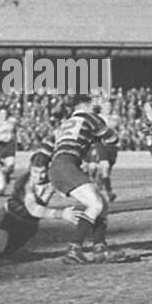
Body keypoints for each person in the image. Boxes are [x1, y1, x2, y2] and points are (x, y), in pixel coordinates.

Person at [47, 93, 117, 264]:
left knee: (102, 204)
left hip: (59, 165)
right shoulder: (90, 117)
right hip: (67, 165)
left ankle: (100, 248)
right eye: (93, 103)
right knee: (96, 204)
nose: (96, 106)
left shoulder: (66, 123)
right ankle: (74, 247)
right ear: (86, 105)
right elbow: (112, 139)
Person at [0, 163, 79, 260]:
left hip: (28, 226)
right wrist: (61, 214)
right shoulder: (24, 183)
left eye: (43, 172)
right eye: (36, 172)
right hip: (8, 219)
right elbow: (34, 210)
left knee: (5, 254)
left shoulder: (52, 179)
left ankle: (0, 245)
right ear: (30, 169)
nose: (40, 176)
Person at [0, 105, 19, 187]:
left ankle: (7, 175)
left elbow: (16, 131)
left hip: (10, 145)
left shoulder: (12, 121)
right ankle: (2, 184)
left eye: (5, 113)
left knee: (10, 165)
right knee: (2, 167)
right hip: (0, 146)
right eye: (1, 113)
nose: (3, 115)